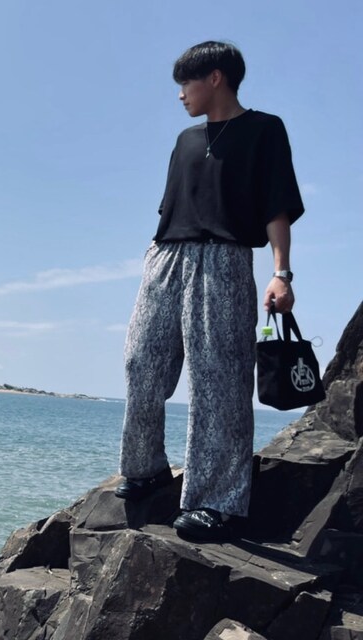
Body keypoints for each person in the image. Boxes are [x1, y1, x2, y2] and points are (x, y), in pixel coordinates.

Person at [115, 41, 304, 542]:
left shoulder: (265, 129)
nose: (181, 94)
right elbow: (170, 208)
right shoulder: (184, 141)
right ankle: (146, 468)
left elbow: (277, 207)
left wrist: (281, 273)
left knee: (218, 378)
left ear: (215, 78)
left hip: (224, 259)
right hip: (165, 256)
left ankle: (215, 500)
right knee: (140, 361)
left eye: (187, 83)